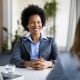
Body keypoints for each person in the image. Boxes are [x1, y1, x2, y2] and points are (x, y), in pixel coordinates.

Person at [10, 4, 59, 70]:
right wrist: (29, 64)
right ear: (27, 25)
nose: (36, 25)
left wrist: (48, 64)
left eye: (38, 22)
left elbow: (59, 61)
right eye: (32, 22)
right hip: (26, 73)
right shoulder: (21, 41)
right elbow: (13, 60)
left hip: (44, 73)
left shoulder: (51, 41)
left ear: (42, 23)